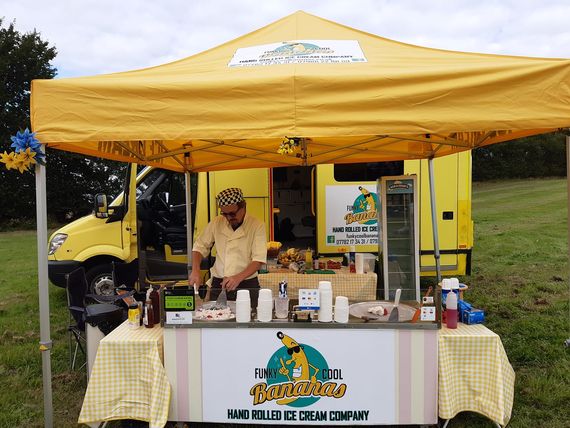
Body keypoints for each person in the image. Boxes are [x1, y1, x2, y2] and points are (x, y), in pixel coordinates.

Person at [188, 187, 266, 307]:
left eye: (232, 213)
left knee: (248, 321)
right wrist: (195, 270)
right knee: (216, 320)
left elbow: (258, 260)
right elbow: (199, 246)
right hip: (219, 284)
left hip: (247, 285)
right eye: (225, 214)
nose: (229, 218)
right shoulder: (216, 223)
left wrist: (237, 278)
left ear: (243, 206)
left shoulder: (257, 225)